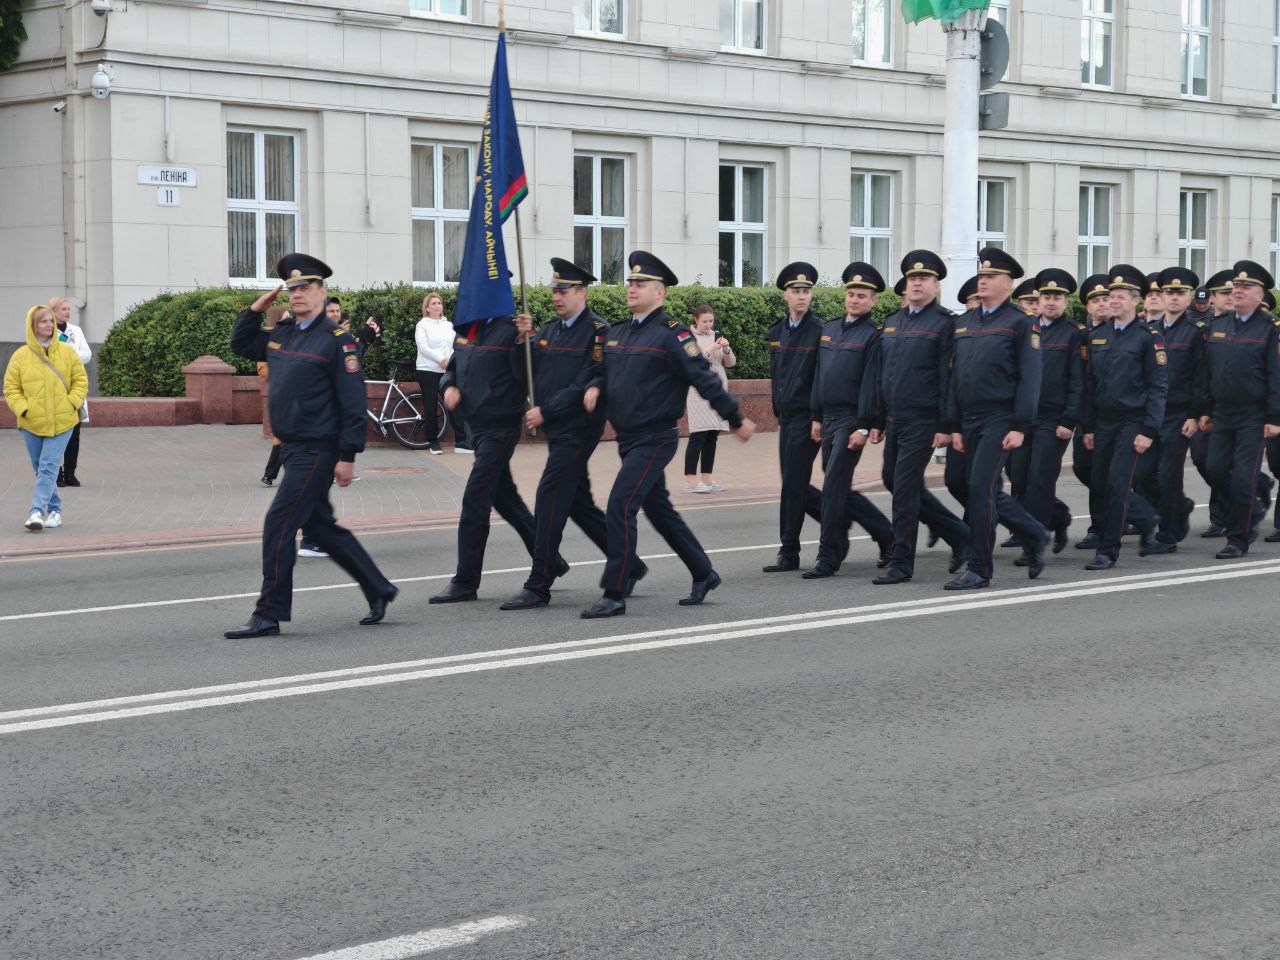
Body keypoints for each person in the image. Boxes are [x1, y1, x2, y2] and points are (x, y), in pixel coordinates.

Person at [224, 253, 397, 638]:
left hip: (317, 450)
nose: (297, 294)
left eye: (305, 287)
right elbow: (241, 344)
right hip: (290, 449)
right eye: (292, 289)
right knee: (322, 527)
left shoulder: (338, 342)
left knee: (278, 525)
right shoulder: (284, 334)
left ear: (322, 292)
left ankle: (268, 613)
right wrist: (256, 308)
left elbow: (353, 403)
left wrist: (348, 456)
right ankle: (379, 588)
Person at [580, 250, 756, 619]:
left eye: (640, 283)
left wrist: (735, 418)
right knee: (659, 510)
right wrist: (596, 387)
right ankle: (704, 572)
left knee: (621, 504)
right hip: (628, 438)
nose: (631, 287)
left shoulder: (672, 334)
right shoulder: (619, 331)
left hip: (656, 437)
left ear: (659, 292)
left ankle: (615, 591)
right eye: (629, 282)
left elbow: (703, 377)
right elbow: (605, 371)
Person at [500, 258, 646, 611]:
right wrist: (522, 342)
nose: (556, 296)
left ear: (581, 292)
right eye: (554, 290)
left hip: (578, 430)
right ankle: (628, 564)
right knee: (578, 503)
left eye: (563, 290)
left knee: (550, 499)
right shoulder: (549, 330)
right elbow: (525, 374)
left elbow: (587, 381)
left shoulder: (598, 332)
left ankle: (539, 584)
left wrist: (545, 411)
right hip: (556, 429)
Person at [761, 262, 892, 573]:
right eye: (795, 291)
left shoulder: (820, 329)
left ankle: (798, 549)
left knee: (807, 484)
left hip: (815, 417)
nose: (801, 296)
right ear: (785, 296)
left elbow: (848, 378)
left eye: (806, 291)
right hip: (795, 417)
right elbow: (780, 376)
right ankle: (853, 525)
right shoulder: (777, 333)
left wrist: (851, 421)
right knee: (807, 485)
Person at [432, 292, 562, 604]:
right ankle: (551, 561)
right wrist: (448, 385)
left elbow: (525, 374)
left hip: (501, 427)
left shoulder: (511, 330)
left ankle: (465, 581)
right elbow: (452, 369)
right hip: (474, 427)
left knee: (475, 498)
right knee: (505, 499)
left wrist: (523, 341)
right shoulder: (466, 329)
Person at [945, 247, 1049, 589]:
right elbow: (955, 377)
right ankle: (1033, 532)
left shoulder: (1021, 324)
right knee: (962, 483)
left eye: (990, 277)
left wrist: (1020, 425)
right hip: (969, 420)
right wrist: (954, 425)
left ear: (1007, 283)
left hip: (999, 418)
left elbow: (1030, 379)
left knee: (980, 488)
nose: (983, 281)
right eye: (981, 275)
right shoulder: (964, 323)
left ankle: (980, 568)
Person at [873, 255, 971, 586]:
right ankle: (959, 535)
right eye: (912, 279)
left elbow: (949, 378)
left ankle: (901, 562)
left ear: (936, 285)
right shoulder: (893, 321)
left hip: (924, 419)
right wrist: (876, 419)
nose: (917, 283)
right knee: (893, 479)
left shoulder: (945, 324)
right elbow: (883, 375)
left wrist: (946, 424)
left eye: (925, 279)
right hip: (894, 417)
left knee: (903, 489)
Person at [1079, 264, 1167, 571]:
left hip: (1133, 421)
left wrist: (1148, 429)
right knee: (1100, 482)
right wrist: (1088, 426)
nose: (1113, 300)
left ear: (1135, 301)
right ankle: (1143, 520)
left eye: (1120, 296)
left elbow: (1158, 386)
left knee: (1117, 483)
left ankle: (1108, 548)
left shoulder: (1148, 337)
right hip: (1103, 421)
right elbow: (1089, 385)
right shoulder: (1097, 335)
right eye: (1110, 295)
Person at [804, 262, 888, 579]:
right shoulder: (830, 329)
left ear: (873, 300)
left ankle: (828, 556)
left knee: (835, 485)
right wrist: (815, 416)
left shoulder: (873, 336)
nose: (855, 299)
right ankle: (887, 535)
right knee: (836, 484)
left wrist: (864, 426)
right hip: (828, 417)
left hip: (852, 420)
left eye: (861, 295)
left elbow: (872, 384)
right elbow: (819, 376)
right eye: (851, 294)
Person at [1199, 260, 1280, 559]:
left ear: (1260, 295)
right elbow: (1208, 372)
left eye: (1246, 288)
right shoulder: (1218, 325)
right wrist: (1204, 408)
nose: (1238, 292)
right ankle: (1253, 505)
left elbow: (1276, 375)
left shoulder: (1270, 329)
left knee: (1243, 476)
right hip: (1222, 412)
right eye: (1236, 287)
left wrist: (1274, 417)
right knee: (1215, 467)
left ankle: (1238, 538)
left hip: (1253, 415)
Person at [1007, 268, 1082, 561]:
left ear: (1065, 302)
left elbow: (1078, 380)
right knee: (1019, 477)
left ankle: (1032, 542)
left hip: (1054, 418)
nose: (1051, 302)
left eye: (1057, 297)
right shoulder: (1026, 329)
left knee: (1040, 478)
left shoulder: (1074, 334)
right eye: (1047, 296)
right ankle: (1058, 517)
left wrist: (1069, 420)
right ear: (1038, 299)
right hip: (1024, 417)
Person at [1134, 266, 1204, 553]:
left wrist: (1193, 414)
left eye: (1180, 293)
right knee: (1142, 474)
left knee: (1168, 474)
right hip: (1152, 414)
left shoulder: (1196, 333)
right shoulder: (1149, 331)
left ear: (1188, 298)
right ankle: (1176, 509)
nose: (1174, 298)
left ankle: (1167, 534)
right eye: (1169, 292)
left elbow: (1201, 377)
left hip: (1178, 413)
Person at [5, 305, 88, 531]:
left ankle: (36, 511)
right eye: (44, 321)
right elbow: (11, 387)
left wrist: (71, 403)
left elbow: (81, 380)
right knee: (39, 467)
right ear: (32, 325)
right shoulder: (20, 356)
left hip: (63, 421)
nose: (49, 325)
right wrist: (23, 409)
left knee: (48, 466)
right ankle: (55, 510)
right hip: (31, 422)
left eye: (51, 321)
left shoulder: (67, 352)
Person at [1071, 274, 1114, 550]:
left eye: (1105, 299)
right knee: (1084, 467)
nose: (1101, 304)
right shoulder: (1083, 336)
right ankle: (1134, 512)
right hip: (1087, 415)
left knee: (1105, 473)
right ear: (1087, 307)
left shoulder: (1125, 332)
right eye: (1095, 300)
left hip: (1115, 416)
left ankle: (1102, 526)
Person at [683, 304, 736, 493]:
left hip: (718, 390)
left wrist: (727, 349)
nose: (708, 325)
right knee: (698, 434)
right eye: (704, 321)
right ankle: (691, 480)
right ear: (695, 319)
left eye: (711, 321)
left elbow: (730, 363)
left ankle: (707, 477)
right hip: (698, 392)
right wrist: (711, 348)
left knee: (712, 435)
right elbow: (691, 361)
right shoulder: (688, 337)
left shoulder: (717, 335)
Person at [48, 297, 91, 488]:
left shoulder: (76, 331)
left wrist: (69, 355)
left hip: (75, 387)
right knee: (56, 433)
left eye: (68, 309)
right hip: (55, 388)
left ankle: (70, 473)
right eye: (63, 309)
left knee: (74, 433)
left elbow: (87, 355)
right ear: (53, 311)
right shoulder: (47, 331)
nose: (67, 312)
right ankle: (56, 474)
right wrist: (72, 356)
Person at [414, 292, 454, 454]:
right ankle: (433, 441)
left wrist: (449, 360)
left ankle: (463, 441)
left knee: (454, 402)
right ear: (428, 308)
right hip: (427, 370)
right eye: (434, 303)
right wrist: (440, 359)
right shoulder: (422, 325)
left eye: (439, 303)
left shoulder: (448, 325)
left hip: (446, 369)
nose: (438, 305)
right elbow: (423, 347)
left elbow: (453, 344)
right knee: (430, 406)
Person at [256, 305, 288, 485]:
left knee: (284, 437)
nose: (288, 321)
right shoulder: (266, 342)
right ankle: (272, 474)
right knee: (283, 437)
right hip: (281, 397)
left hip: (291, 396)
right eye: (285, 318)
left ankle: (271, 475)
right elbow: (263, 371)